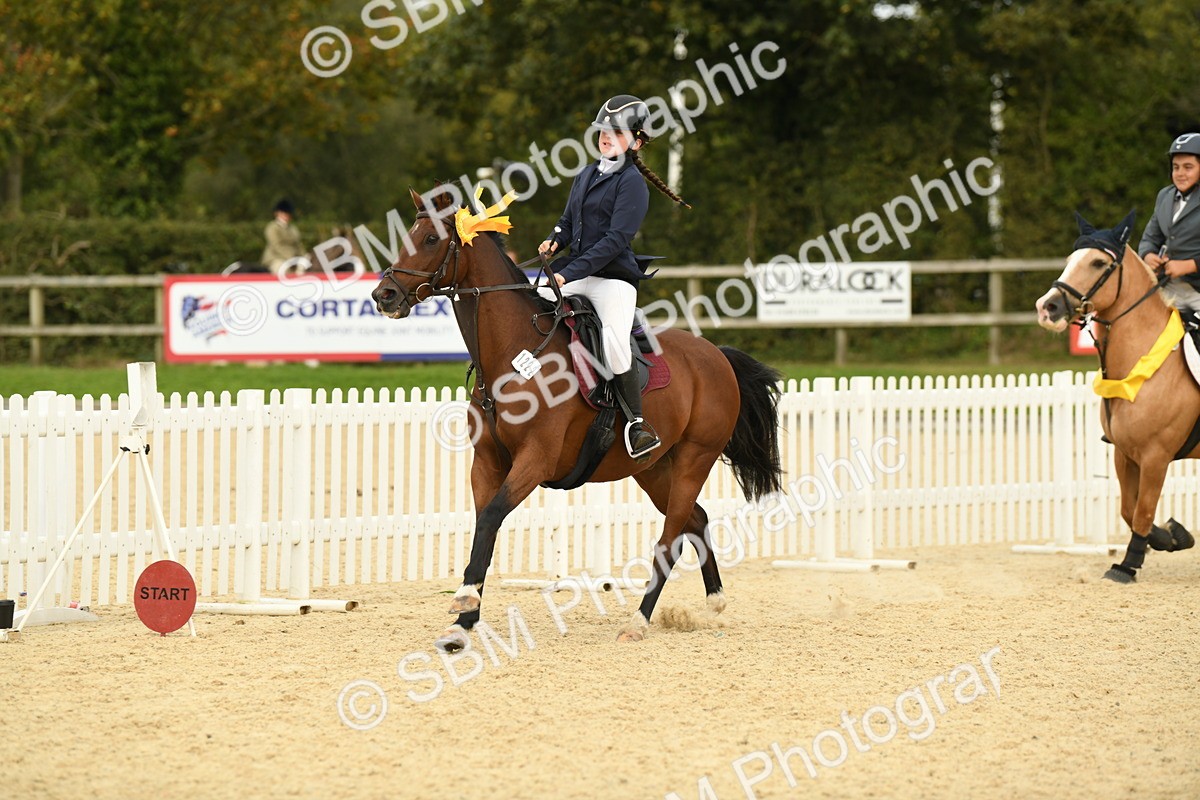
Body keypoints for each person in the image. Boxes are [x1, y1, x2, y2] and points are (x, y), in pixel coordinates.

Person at [538, 94, 690, 459]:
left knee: (615, 342)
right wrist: (554, 241)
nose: (606, 136)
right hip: (574, 272)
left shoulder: (632, 183)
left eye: (616, 132)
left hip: (613, 281)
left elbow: (614, 241)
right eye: (603, 130)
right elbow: (567, 220)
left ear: (636, 141)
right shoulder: (586, 173)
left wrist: (567, 273)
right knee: (532, 305)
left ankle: (637, 423)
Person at [1139, 132, 1200, 313]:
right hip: (1170, 286)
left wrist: (1189, 265)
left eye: (1188, 167)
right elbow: (1150, 237)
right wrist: (1148, 255)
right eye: (1176, 167)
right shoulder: (1164, 196)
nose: (1180, 174)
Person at [261, 198, 305, 275]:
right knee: (283, 269)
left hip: (294, 259)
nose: (286, 215)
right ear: (277, 213)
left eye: (287, 213)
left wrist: (304, 257)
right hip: (275, 258)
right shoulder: (272, 227)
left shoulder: (293, 229)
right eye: (283, 213)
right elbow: (277, 246)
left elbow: (298, 245)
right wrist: (291, 258)